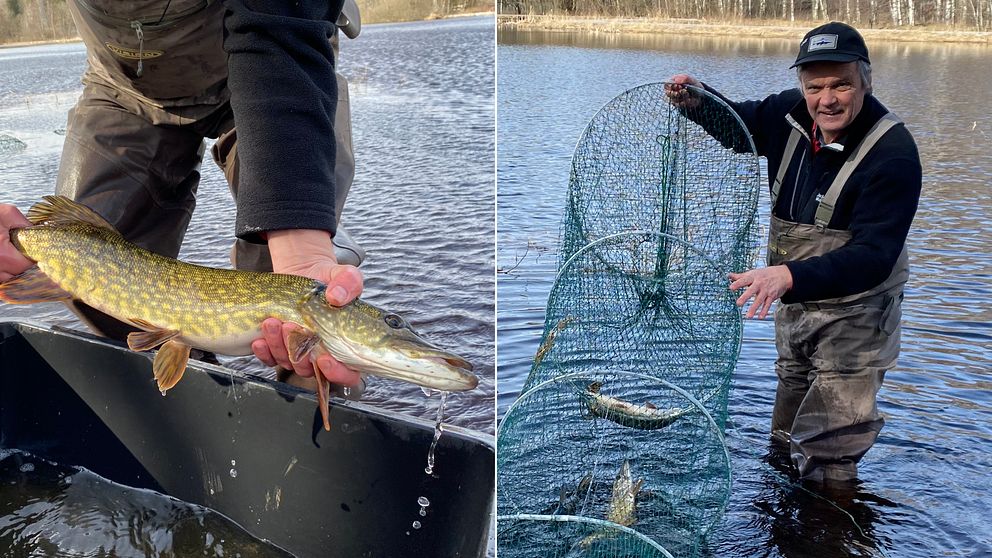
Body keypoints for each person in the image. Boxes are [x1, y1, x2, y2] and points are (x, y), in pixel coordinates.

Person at [0, 0, 367, 392]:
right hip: (125, 88)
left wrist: (300, 243)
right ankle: (203, 397)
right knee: (81, 275)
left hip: (277, 63)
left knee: (293, 269)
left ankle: (315, 412)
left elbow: (282, 19)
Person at [666, 21, 922, 483]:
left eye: (841, 84)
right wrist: (700, 101)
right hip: (799, 309)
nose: (827, 99)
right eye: (815, 86)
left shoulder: (894, 154)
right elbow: (738, 124)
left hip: (857, 320)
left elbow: (874, 255)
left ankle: (831, 532)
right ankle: (783, 525)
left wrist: (787, 277)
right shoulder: (788, 114)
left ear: (866, 80)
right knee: (785, 441)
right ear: (801, 85)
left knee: (829, 452)